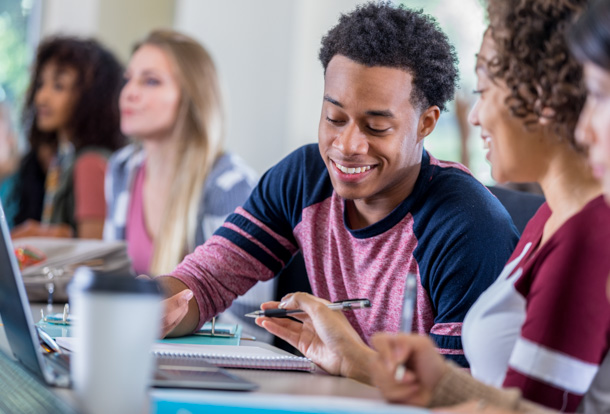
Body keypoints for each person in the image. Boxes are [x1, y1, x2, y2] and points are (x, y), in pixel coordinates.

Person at [157, 1, 519, 376]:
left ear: (426, 123)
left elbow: (463, 393)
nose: (346, 145)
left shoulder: (467, 227)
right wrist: (148, 306)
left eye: (376, 126)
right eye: (334, 118)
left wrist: (357, 363)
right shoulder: (303, 178)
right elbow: (204, 282)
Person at [366, 0, 610, 413]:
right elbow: (520, 404)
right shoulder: (550, 217)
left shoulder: (587, 235)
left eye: (482, 90)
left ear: (541, 96)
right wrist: (441, 382)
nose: (475, 115)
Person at [103, 30, 269, 339]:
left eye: (150, 81)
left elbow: (250, 326)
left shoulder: (229, 185)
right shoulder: (122, 169)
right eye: (129, 79)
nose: (129, 93)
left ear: (192, 96)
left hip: (198, 364)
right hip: (136, 345)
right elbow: (117, 286)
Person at [8, 36, 124, 239]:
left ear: (91, 96)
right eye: (41, 84)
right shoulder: (62, 159)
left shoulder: (89, 162)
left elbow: (94, 250)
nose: (41, 97)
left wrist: (39, 234)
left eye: (58, 86)